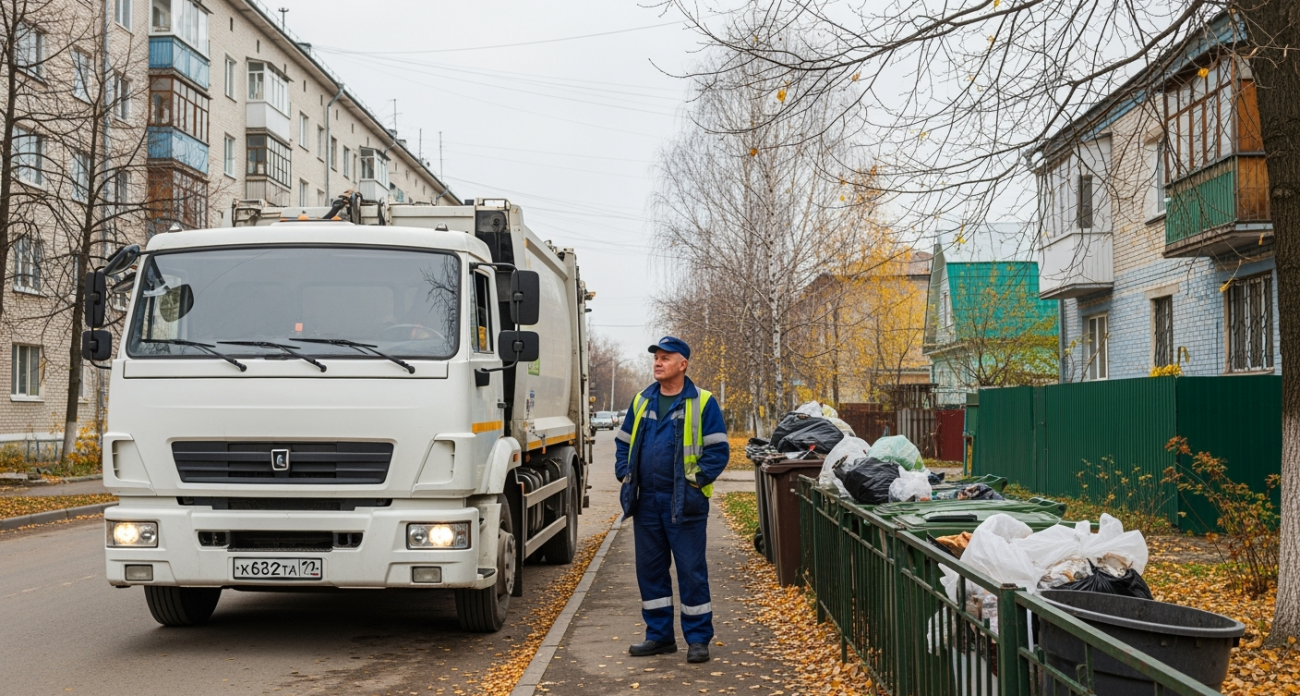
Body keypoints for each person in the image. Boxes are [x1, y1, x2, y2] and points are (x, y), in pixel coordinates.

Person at [614, 336, 729, 664]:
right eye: (656, 358)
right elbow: (623, 442)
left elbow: (718, 449)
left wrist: (696, 482)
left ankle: (697, 639)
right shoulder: (642, 401)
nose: (658, 363)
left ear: (683, 364)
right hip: (647, 501)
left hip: (685, 502)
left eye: (666, 358)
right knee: (650, 571)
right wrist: (625, 472)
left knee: (691, 571)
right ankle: (659, 636)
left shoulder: (702, 402)